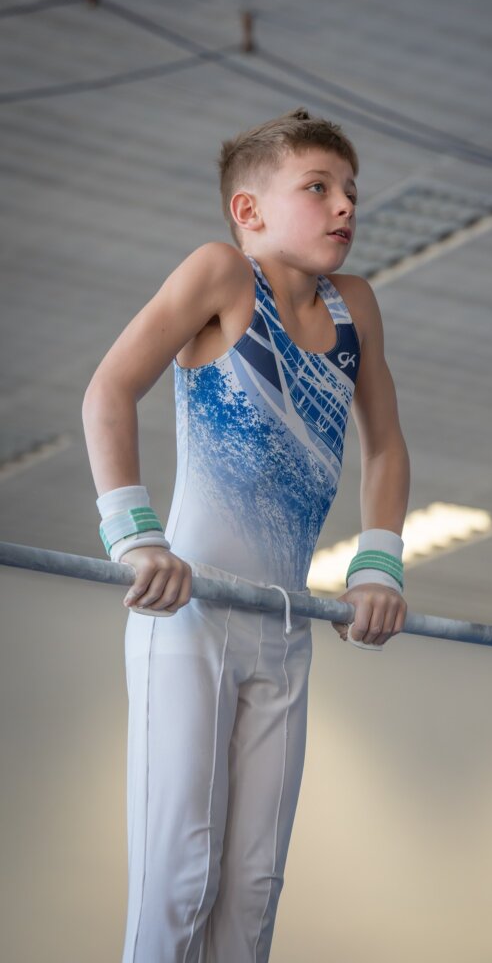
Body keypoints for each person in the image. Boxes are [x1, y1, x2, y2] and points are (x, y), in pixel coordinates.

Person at [82, 106, 411, 963]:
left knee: (254, 892)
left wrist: (378, 566)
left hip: (284, 623)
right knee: (181, 878)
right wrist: (137, 537)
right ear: (248, 210)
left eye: (350, 190)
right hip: (187, 613)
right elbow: (108, 390)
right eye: (318, 188)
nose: (345, 205)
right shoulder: (223, 274)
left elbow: (385, 445)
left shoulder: (355, 306)